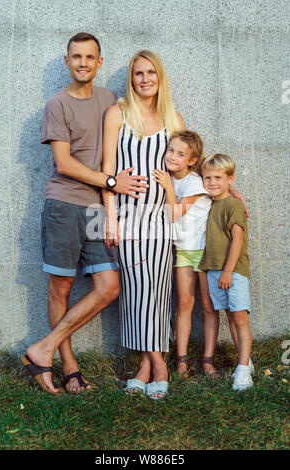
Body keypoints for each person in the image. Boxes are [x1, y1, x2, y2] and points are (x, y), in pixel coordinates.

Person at [21, 33, 148, 396]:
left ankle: (41, 349)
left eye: (89, 57)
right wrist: (111, 180)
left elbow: (159, 135)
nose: (83, 63)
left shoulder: (111, 101)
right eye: (76, 57)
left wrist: (211, 186)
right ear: (67, 61)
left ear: (99, 63)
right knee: (60, 286)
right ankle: (69, 367)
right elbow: (63, 163)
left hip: (99, 209)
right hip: (64, 205)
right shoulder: (57, 104)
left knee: (109, 287)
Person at [103, 50, 185, 399]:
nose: (145, 79)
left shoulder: (173, 118)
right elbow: (107, 169)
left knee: (159, 291)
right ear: (131, 79)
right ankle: (157, 362)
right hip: (129, 218)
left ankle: (146, 367)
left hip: (162, 220)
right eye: (138, 73)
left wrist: (227, 189)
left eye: (151, 72)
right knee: (138, 290)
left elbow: (188, 168)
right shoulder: (117, 114)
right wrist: (110, 217)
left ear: (160, 77)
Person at [152, 130, 221, 379]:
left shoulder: (194, 182)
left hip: (203, 252)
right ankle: (181, 360)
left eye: (181, 154)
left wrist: (169, 188)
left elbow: (174, 214)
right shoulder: (168, 176)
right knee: (184, 304)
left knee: (208, 306)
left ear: (192, 161)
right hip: (183, 251)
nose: (173, 156)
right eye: (171, 150)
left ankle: (208, 360)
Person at [198, 153, 254, 391]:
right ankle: (246, 361)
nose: (212, 182)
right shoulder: (210, 203)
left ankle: (243, 371)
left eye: (218, 177)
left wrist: (228, 272)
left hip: (233, 272)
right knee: (231, 317)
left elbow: (237, 240)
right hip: (214, 270)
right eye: (207, 177)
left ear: (230, 178)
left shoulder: (233, 204)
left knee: (240, 318)